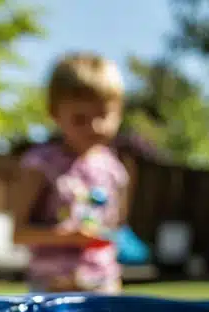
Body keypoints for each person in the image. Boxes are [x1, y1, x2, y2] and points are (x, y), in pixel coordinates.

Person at [12, 53, 130, 294]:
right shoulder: (40, 164)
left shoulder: (114, 170)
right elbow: (19, 233)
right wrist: (69, 236)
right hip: (52, 288)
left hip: (102, 285)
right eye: (80, 118)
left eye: (103, 115)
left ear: (118, 112)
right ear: (55, 114)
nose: (94, 126)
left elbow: (115, 227)